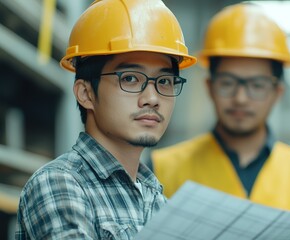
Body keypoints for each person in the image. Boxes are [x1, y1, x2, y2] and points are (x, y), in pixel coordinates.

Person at [15, 0, 196, 239]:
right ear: (86, 94)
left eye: (164, 82)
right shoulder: (59, 184)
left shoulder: (158, 201)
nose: (152, 98)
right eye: (130, 78)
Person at [151, 3, 290, 214]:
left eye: (257, 85)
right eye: (228, 83)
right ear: (210, 87)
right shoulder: (160, 170)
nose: (240, 98)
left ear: (277, 92)